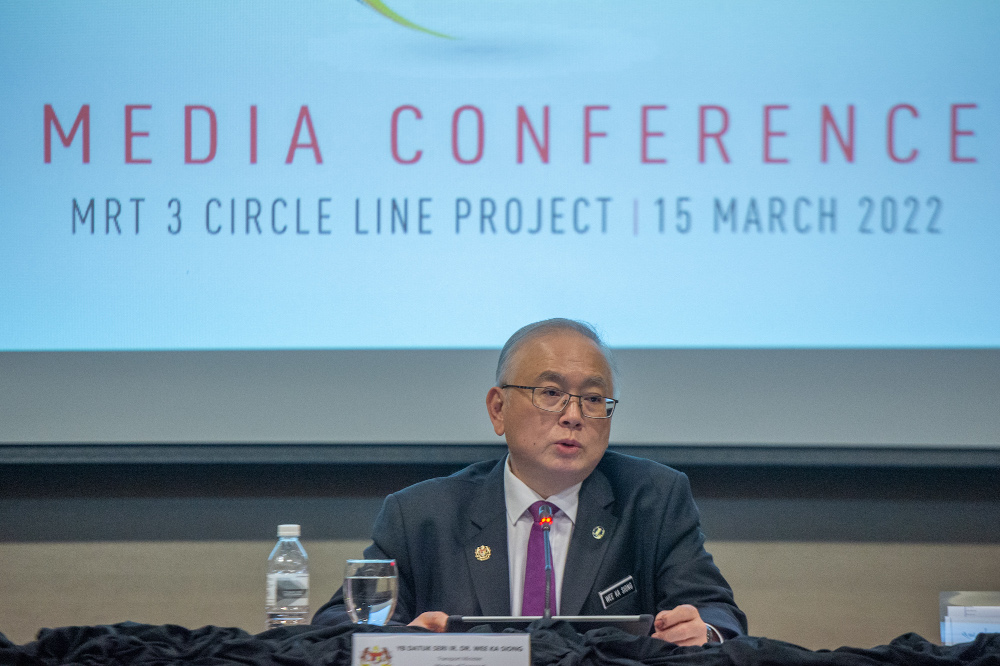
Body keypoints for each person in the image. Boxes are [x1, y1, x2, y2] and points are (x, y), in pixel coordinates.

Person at [313, 319, 747, 644]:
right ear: (498, 409)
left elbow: (718, 613)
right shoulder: (421, 516)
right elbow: (336, 629)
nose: (574, 415)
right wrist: (398, 643)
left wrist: (702, 630)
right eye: (551, 393)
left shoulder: (653, 500)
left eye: (593, 398)